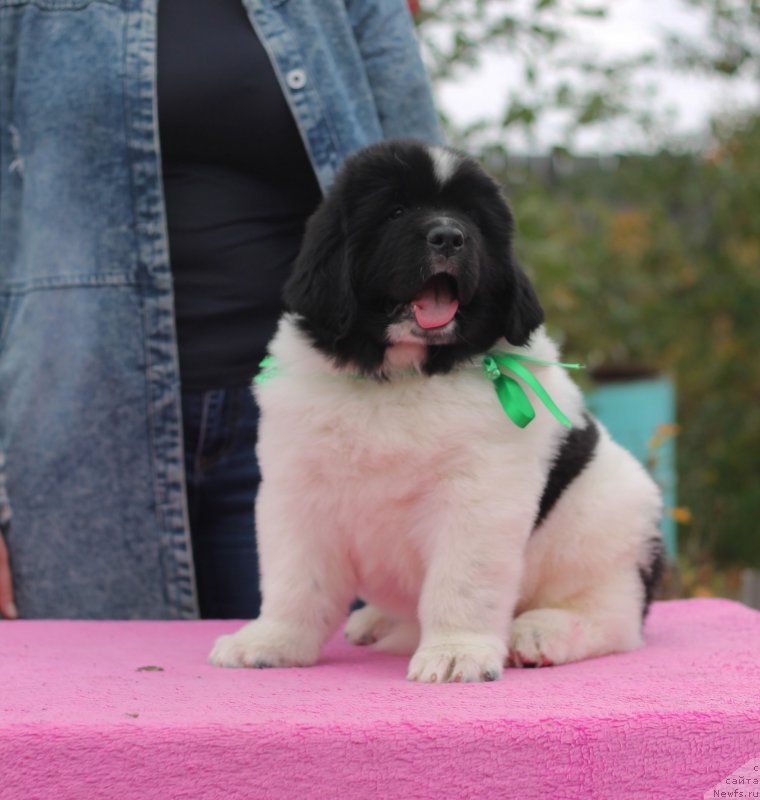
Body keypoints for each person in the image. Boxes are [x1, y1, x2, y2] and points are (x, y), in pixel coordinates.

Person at [0, 0, 442, 620]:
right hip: (80, 442)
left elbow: (429, 201)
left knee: (322, 705)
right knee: (106, 703)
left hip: (322, 423)